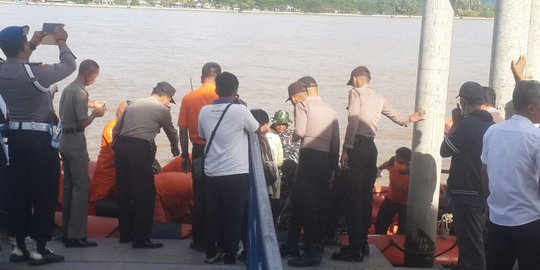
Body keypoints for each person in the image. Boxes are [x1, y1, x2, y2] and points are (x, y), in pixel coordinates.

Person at [0, 25, 75, 265]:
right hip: (40, 141)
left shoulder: (3, 71)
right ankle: (38, 248)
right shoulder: (36, 74)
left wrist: (30, 44)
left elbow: (15, 60)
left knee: (19, 193)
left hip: (15, 139)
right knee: (44, 192)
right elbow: (70, 65)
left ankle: (19, 246)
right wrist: (61, 41)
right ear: (22, 46)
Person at [333, 66, 424, 262]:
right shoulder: (379, 97)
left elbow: (354, 120)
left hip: (357, 146)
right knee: (365, 195)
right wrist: (411, 118)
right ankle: (363, 244)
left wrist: (346, 148)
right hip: (371, 148)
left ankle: (354, 249)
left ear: (356, 79)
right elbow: (398, 118)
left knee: (353, 198)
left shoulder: (355, 93)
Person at [198, 72, 259, 264]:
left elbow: (201, 135)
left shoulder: (204, 111)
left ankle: (210, 254)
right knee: (233, 218)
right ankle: (230, 257)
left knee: (212, 215)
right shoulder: (240, 111)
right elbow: (255, 128)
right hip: (235, 174)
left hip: (212, 172)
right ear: (235, 90)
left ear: (216, 90)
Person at [113, 82, 180, 248]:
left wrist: (117, 145)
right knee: (145, 193)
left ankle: (125, 235)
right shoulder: (163, 110)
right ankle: (141, 239)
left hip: (121, 146)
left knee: (124, 191)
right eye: (169, 101)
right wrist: (175, 149)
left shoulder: (134, 103)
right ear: (165, 97)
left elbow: (116, 129)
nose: (167, 104)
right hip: (140, 148)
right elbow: (172, 132)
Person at [481, 80, 540, 270]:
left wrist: (488, 202)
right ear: (532, 108)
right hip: (530, 221)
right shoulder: (535, 138)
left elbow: (484, 171)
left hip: (497, 218)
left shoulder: (493, 131)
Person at [285, 80, 340, 267]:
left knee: (305, 206)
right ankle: (299, 245)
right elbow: (335, 143)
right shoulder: (330, 109)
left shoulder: (302, 105)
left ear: (293, 98)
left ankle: (311, 252)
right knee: (315, 205)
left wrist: (288, 138)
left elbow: (299, 132)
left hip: (309, 158)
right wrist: (333, 166)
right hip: (325, 162)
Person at [440, 81, 494, 270]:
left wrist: (455, 124)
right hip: (484, 193)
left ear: (463, 102)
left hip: (466, 193)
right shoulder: (492, 125)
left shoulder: (466, 125)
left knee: (471, 245)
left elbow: (444, 150)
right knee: (477, 240)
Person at [59, 59, 105, 248]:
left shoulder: (68, 89)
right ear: (88, 74)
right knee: (81, 187)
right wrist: (97, 113)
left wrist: (89, 103)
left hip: (64, 140)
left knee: (69, 186)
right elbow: (82, 123)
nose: (94, 80)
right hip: (76, 140)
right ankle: (76, 235)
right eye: (94, 77)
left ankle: (66, 230)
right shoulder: (79, 93)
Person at [178, 62, 221, 251]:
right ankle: (216, 239)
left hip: (198, 152)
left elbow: (182, 129)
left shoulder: (189, 98)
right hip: (220, 151)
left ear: (201, 76)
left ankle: (199, 240)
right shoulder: (223, 97)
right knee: (217, 194)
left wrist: (183, 155)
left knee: (200, 195)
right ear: (218, 78)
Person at [88, 101, 129, 215]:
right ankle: (92, 221)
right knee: (96, 198)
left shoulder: (127, 128)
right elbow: (116, 152)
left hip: (119, 173)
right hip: (107, 172)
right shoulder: (111, 128)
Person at [251, 109, 284, 219]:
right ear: (265, 124)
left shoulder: (248, 138)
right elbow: (279, 162)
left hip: (252, 184)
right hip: (272, 182)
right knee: (271, 213)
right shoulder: (274, 138)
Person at [374, 147, 411, 235]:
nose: (396, 160)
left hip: (406, 204)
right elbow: (385, 164)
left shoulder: (414, 171)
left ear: (408, 162)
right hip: (390, 199)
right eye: (395, 157)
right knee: (380, 224)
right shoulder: (391, 162)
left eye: (399, 160)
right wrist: (378, 169)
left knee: (404, 230)